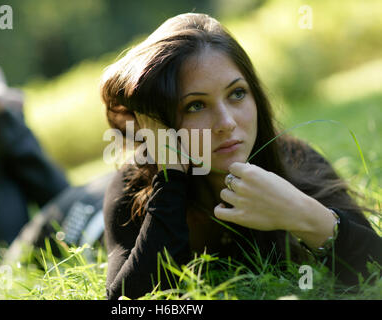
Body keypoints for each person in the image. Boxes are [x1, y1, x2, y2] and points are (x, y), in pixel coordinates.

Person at [99, 13, 382, 300]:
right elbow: (128, 302)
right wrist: (171, 175)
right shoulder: (133, 185)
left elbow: (376, 268)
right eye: (195, 105)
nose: (227, 122)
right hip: (83, 214)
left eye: (236, 94)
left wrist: (301, 212)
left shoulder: (294, 159)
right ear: (159, 121)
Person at [0, 59, 110, 263]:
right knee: (3, 263)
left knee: (26, 172)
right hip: (89, 227)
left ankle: (7, 117)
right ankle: (4, 115)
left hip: (99, 199)